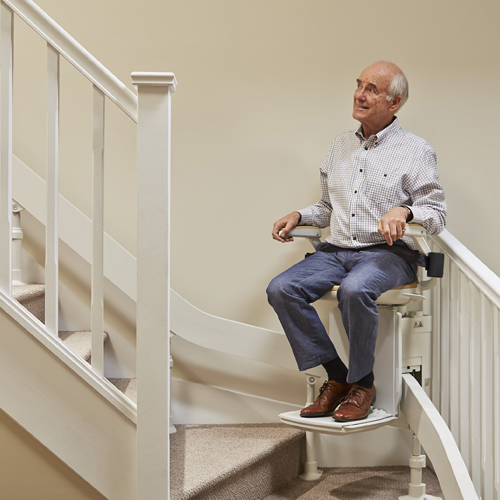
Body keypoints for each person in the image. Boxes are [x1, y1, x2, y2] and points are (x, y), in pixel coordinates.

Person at [266, 61, 446, 422]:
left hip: (387, 254)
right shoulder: (339, 146)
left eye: (372, 89)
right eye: (359, 85)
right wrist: (300, 215)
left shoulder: (415, 149)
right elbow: (328, 207)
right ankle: (338, 377)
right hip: (336, 250)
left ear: (394, 103)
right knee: (281, 288)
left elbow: (436, 213)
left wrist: (404, 212)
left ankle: (363, 383)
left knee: (354, 289)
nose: (360, 94)